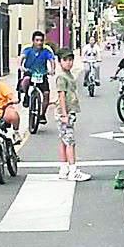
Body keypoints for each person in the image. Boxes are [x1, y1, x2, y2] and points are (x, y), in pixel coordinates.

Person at [55, 49, 90, 182]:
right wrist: (64, 114)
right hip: (65, 113)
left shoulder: (68, 75)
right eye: (65, 60)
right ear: (60, 62)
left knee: (64, 140)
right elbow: (61, 95)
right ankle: (73, 170)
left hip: (68, 112)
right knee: (70, 142)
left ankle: (64, 168)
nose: (69, 63)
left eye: (70, 60)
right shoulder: (62, 77)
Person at [18, 31, 56, 124]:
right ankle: (26, 96)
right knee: (26, 80)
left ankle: (42, 114)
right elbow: (22, 58)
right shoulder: (28, 49)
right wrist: (21, 66)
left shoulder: (46, 50)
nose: (39, 43)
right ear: (33, 41)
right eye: (37, 40)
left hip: (42, 74)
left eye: (41, 40)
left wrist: (52, 69)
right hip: (30, 73)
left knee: (46, 94)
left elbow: (51, 60)